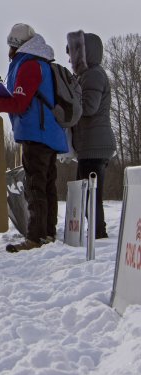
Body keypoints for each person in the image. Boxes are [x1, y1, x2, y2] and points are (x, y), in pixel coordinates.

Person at [0, 23, 68, 252]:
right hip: (48, 132)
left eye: (11, 45)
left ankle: (35, 237)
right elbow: (24, 95)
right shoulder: (38, 61)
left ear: (16, 45)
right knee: (46, 186)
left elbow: (19, 103)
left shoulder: (30, 65)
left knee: (35, 186)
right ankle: (47, 234)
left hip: (37, 132)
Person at [67, 29, 116, 239]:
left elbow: (89, 108)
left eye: (72, 51)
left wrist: (68, 99)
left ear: (83, 53)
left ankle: (98, 235)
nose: (69, 57)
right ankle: (96, 232)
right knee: (86, 196)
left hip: (95, 146)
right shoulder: (87, 75)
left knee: (90, 197)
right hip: (90, 145)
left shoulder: (92, 75)